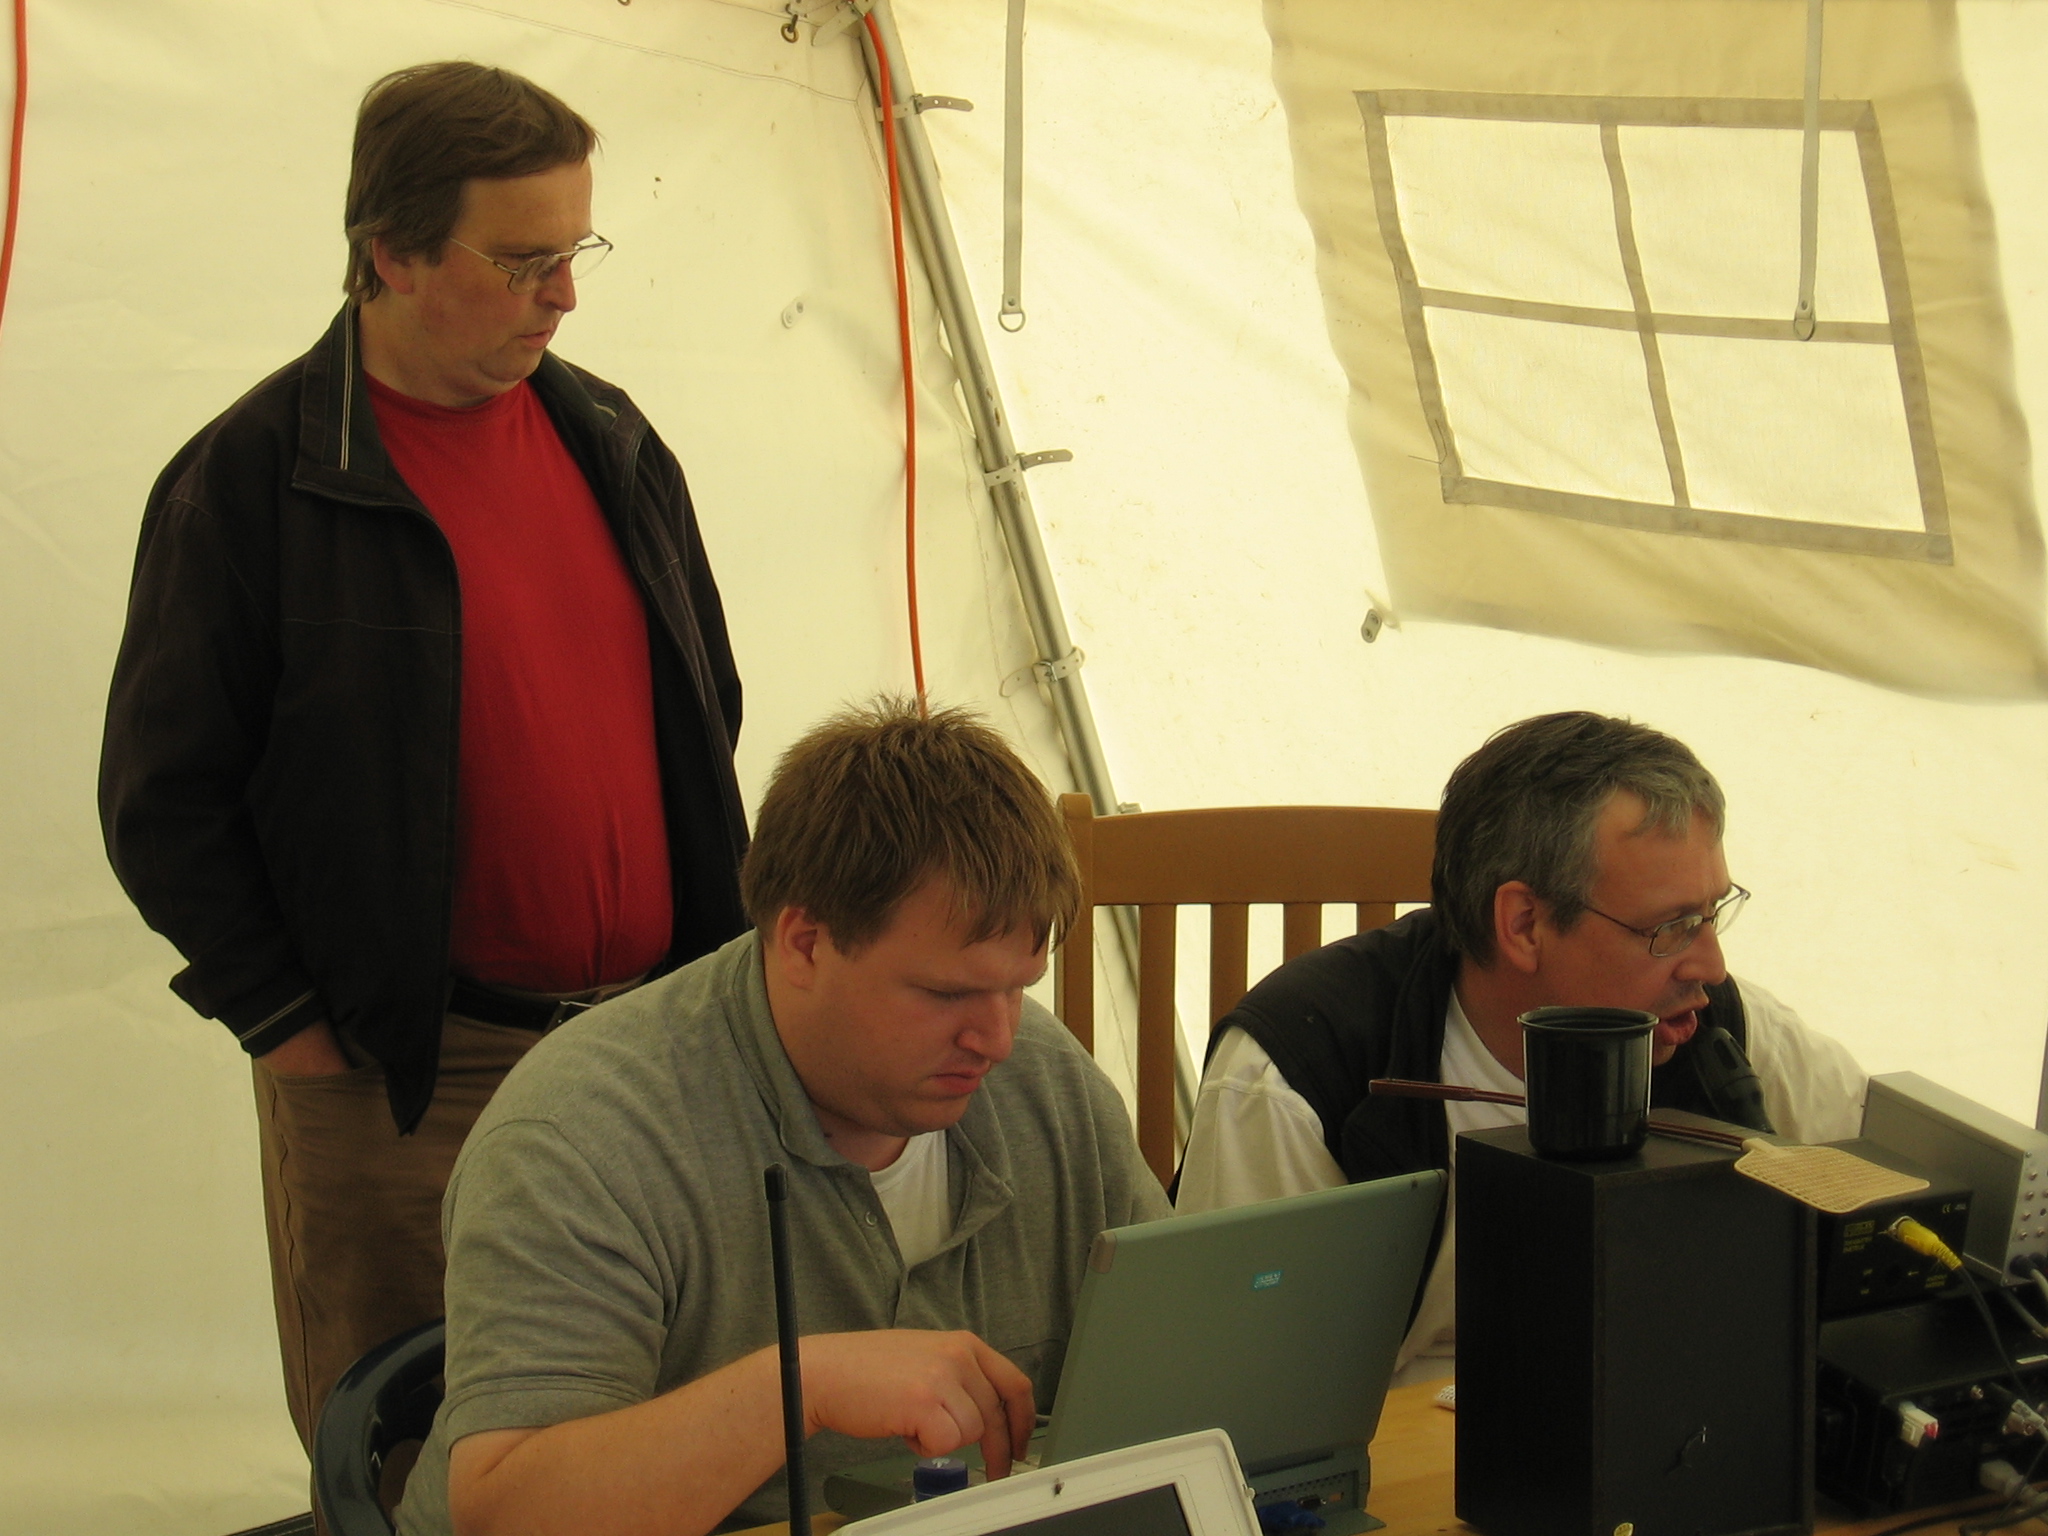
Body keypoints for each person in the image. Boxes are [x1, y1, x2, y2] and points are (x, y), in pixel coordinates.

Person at [97, 61, 750, 1471]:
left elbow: (707, 705)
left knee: (651, 1436)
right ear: (389, 253)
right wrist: (299, 1033)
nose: (563, 296)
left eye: (576, 251)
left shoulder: (612, 437)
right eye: (521, 261)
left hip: (646, 1050)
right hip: (408, 1077)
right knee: (421, 1460)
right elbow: (163, 804)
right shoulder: (254, 480)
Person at [389, 699, 1169, 1536]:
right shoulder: (582, 1137)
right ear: (803, 943)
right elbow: (507, 1514)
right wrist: (801, 1388)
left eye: (1017, 987)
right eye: (946, 993)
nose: (999, 1039)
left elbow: (1182, 1349)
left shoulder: (1048, 1085)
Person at [1175, 711, 1865, 1382]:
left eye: (1714, 913)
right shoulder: (1299, 1077)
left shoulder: (1718, 1030)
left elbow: (1887, 1178)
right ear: (1525, 924)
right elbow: (1242, 1392)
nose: (1711, 966)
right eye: (1672, 927)